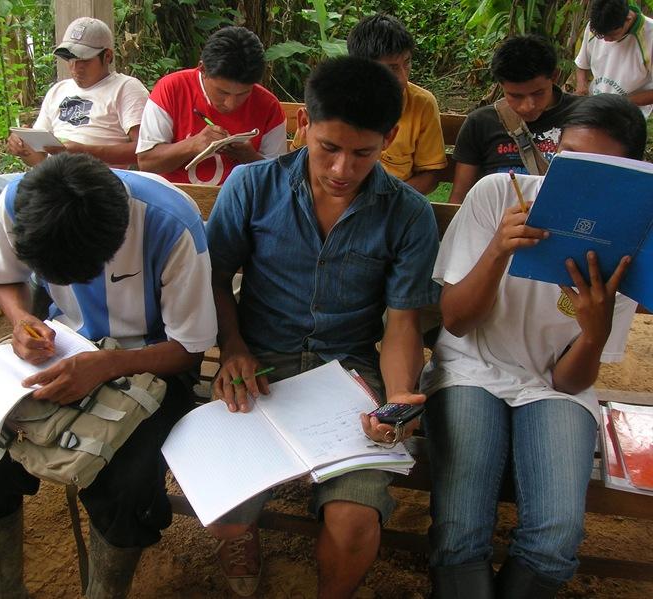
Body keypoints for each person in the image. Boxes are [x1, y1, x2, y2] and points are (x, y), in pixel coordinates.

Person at [205, 56, 440, 598]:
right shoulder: (251, 187)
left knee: (355, 519)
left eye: (363, 153)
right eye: (327, 148)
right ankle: (239, 534)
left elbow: (402, 322)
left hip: (348, 375)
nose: (341, 169)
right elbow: (214, 280)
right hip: (258, 364)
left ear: (390, 137)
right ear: (302, 126)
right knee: (226, 491)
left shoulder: (407, 213)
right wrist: (233, 348)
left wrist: (399, 398)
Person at [0, 153, 217, 598]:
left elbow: (189, 348)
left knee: (127, 489)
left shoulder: (170, 223)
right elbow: (6, 277)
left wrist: (107, 365)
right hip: (62, 347)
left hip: (153, 362)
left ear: (118, 237)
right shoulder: (21, 203)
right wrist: (20, 319)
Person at [421, 93, 645, 598]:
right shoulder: (500, 195)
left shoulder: (627, 244)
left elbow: (570, 379)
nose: (574, 181)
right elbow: (455, 322)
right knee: (459, 533)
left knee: (555, 542)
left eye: (600, 169)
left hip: (554, 387)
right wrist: (498, 251)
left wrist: (594, 329)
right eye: (566, 159)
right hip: (470, 368)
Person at [0, 17, 149, 223]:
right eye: (70, 59)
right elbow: (39, 160)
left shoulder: (126, 88)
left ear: (107, 56)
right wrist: (24, 147)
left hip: (93, 184)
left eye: (84, 60)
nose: (76, 67)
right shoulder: (59, 90)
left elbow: (143, 151)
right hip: (48, 178)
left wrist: (82, 152)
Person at [291, 13, 447, 194]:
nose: (403, 79)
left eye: (407, 63)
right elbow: (296, 160)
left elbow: (431, 174)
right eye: (391, 68)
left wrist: (389, 202)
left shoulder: (422, 103)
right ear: (362, 67)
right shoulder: (330, 99)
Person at [136, 26, 286, 185]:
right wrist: (193, 144)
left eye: (243, 94)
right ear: (202, 69)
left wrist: (249, 157)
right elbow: (146, 163)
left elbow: (279, 179)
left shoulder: (268, 106)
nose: (231, 104)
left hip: (242, 206)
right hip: (175, 203)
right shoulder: (171, 89)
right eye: (222, 92)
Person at [449, 34, 579, 204]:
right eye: (515, 96)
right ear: (500, 85)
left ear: (554, 76)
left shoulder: (583, 116)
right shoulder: (481, 123)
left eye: (538, 93)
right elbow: (459, 199)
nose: (527, 106)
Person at [575, 0, 653, 118]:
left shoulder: (650, 35)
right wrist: (581, 86)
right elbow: (582, 64)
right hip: (595, 106)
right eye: (601, 36)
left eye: (612, 35)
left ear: (628, 18)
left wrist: (618, 102)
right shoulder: (596, 27)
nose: (605, 40)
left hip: (628, 115)